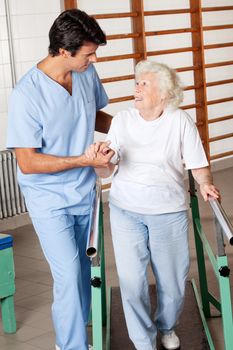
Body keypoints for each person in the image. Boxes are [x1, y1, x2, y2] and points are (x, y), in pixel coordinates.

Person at [85, 60, 220, 350]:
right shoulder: (122, 121)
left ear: (164, 92)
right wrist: (100, 160)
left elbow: (199, 165)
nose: (136, 87)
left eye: (144, 83)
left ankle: (167, 326)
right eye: (137, 82)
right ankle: (143, 341)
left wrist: (205, 183)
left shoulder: (179, 121)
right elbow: (106, 170)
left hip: (168, 213)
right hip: (125, 211)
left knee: (172, 284)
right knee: (132, 282)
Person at [7, 9, 114, 350]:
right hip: (49, 200)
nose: (94, 59)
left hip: (85, 192)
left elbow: (93, 112)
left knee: (84, 272)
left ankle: (80, 325)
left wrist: (140, 129)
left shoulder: (85, 72)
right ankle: (71, 346)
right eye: (88, 53)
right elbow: (28, 161)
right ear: (64, 51)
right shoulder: (27, 94)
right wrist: (82, 159)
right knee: (68, 276)